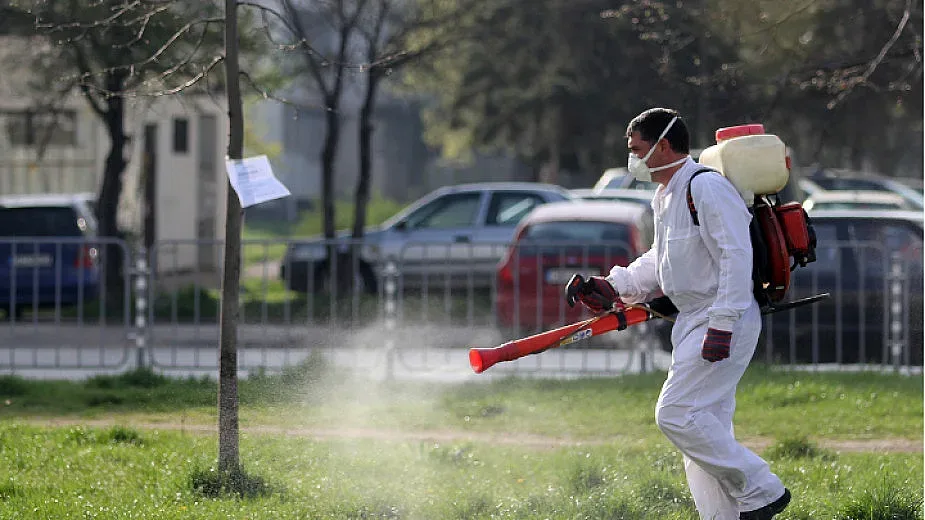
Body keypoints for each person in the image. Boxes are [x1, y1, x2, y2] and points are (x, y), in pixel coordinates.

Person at [569, 108, 790, 520]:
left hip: (725, 317)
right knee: (702, 434)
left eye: (637, 149)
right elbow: (662, 258)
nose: (632, 159)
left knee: (675, 414)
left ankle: (762, 491)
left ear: (663, 146)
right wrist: (613, 286)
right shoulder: (667, 193)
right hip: (694, 319)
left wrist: (722, 324)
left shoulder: (705, 188)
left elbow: (735, 256)